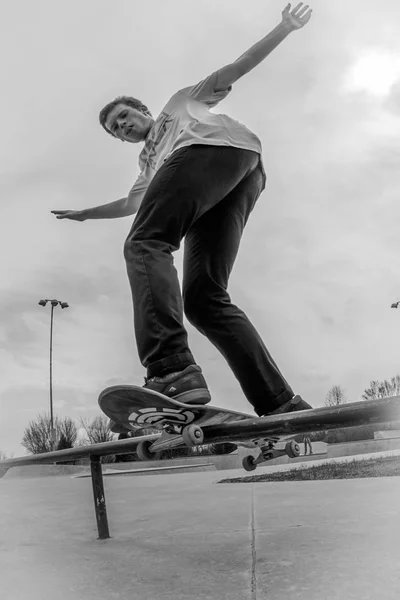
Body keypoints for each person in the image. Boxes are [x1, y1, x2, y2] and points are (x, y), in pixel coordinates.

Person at [52, 3, 313, 418]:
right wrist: (84, 213)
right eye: (116, 129)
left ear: (143, 110)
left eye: (124, 117)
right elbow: (130, 203)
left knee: (144, 243)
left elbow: (238, 67)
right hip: (241, 177)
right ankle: (280, 403)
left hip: (210, 150)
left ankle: (171, 368)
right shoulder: (149, 166)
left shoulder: (180, 102)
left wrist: (283, 28)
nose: (123, 127)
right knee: (204, 298)